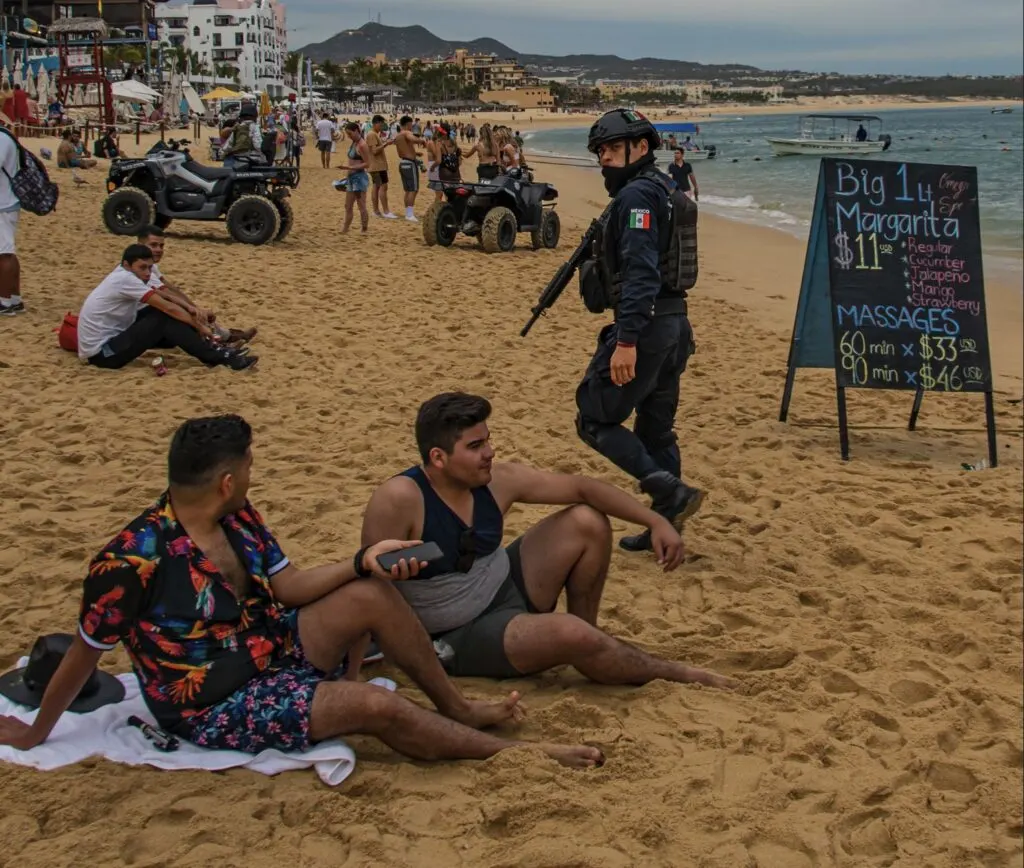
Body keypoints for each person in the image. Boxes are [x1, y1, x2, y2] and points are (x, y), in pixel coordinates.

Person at [0, 415, 602, 770]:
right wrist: (33, 733)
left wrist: (360, 562)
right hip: (213, 701)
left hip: (270, 646)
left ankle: (456, 705)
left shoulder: (238, 518)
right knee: (375, 708)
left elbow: (288, 587)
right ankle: (523, 757)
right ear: (227, 480)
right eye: (251, 470)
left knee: (370, 594)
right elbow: (86, 650)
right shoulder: (130, 559)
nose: (253, 478)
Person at [360, 393, 734, 689]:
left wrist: (655, 520)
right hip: (457, 633)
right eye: (475, 446)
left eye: (488, 441)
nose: (489, 452)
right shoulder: (399, 499)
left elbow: (581, 487)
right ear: (438, 458)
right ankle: (676, 673)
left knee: (587, 521)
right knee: (569, 634)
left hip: (504, 586)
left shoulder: (496, 480)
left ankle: (589, 639)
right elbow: (368, 591)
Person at [575, 109, 703, 553]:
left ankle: (667, 491)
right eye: (600, 152)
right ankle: (664, 527)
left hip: (648, 329)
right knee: (656, 429)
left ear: (641, 147)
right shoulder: (666, 188)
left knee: (592, 417)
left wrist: (626, 341)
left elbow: (641, 272)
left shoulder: (635, 199)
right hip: (675, 326)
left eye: (611, 149)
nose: (604, 159)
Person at [76, 244, 256, 371]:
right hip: (103, 355)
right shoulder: (125, 279)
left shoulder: (126, 274)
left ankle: (217, 348)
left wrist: (192, 310)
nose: (147, 273)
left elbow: (166, 296)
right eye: (143, 268)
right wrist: (198, 326)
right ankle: (220, 356)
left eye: (149, 268)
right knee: (163, 318)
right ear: (126, 265)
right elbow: (167, 308)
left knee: (165, 316)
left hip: (111, 341)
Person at [137, 225, 256, 348]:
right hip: (138, 324)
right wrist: (194, 312)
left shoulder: (148, 265)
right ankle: (219, 344)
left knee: (186, 311)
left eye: (161, 246)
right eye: (153, 245)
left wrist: (195, 308)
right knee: (179, 313)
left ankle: (224, 337)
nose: (159, 250)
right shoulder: (140, 269)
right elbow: (167, 294)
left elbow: (170, 288)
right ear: (140, 246)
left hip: (148, 315)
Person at [0, 123, 22, 316]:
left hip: (3, 204)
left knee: (4, 254)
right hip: (7, 203)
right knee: (8, 252)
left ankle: (4, 302)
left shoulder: (1, 139)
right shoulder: (7, 136)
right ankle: (14, 299)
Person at [339, 122, 371, 234]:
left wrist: (349, 167)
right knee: (348, 205)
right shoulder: (354, 143)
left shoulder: (362, 145)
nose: (349, 136)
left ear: (357, 130)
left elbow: (367, 163)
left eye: (350, 133)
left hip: (359, 178)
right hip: (351, 177)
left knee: (361, 205)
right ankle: (345, 228)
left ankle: (364, 229)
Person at [394, 115, 426, 222]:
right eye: (411, 124)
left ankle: (407, 212)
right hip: (409, 164)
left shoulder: (398, 136)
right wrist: (422, 141)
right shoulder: (406, 132)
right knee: (414, 189)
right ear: (408, 124)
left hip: (403, 163)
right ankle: (409, 214)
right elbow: (413, 138)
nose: (412, 127)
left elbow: (403, 150)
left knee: (408, 190)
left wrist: (415, 153)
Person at [365, 115, 396, 219]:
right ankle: (386, 211)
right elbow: (374, 151)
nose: (382, 126)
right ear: (377, 123)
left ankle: (376, 211)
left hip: (376, 165)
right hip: (377, 166)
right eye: (381, 124)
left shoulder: (373, 134)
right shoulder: (372, 134)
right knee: (383, 187)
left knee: (376, 187)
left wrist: (384, 143)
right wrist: (386, 144)